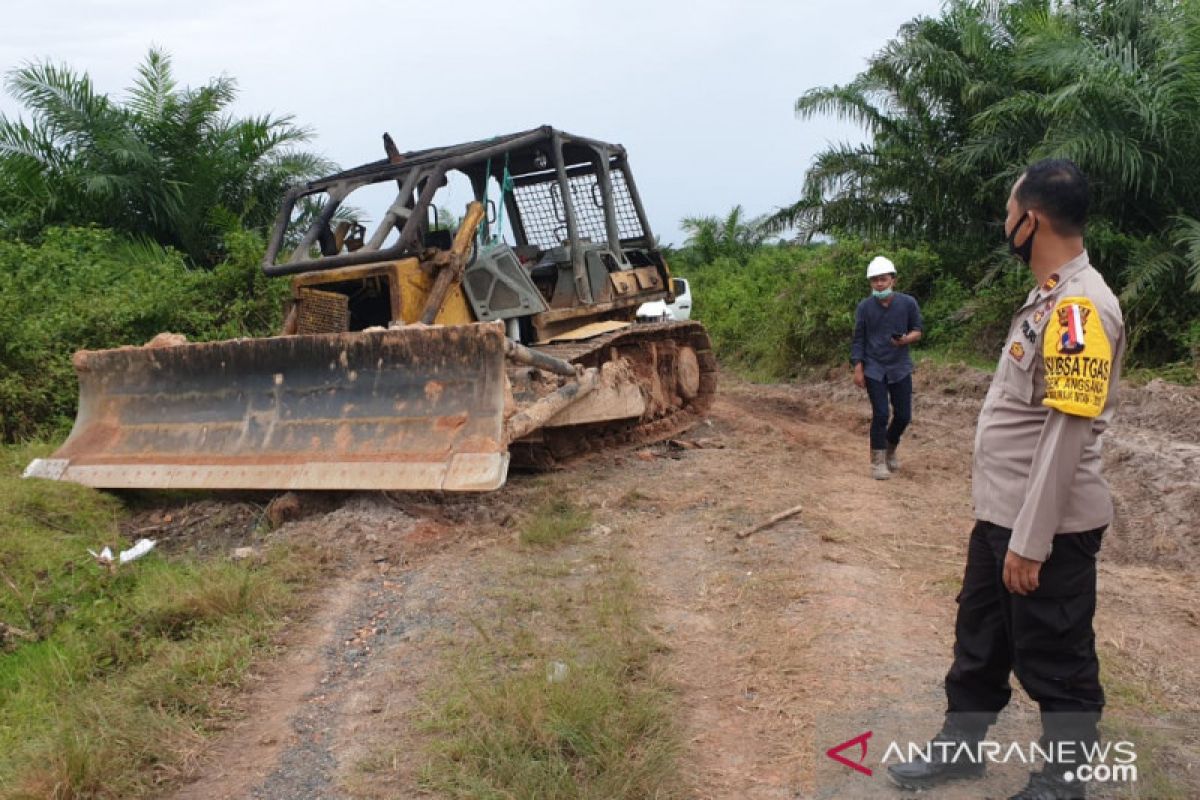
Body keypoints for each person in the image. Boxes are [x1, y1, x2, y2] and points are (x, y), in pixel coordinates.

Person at [886, 159, 1124, 800]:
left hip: (1045, 525)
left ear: (1032, 219)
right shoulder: (1047, 294)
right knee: (980, 642)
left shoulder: (1079, 308)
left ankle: (1065, 780)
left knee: (1057, 654)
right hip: (1003, 514)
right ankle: (960, 750)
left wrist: (1031, 539)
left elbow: (1068, 432)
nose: (1003, 221)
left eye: (1008, 210)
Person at [850, 256, 923, 480]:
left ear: (893, 280)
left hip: (899, 366)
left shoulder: (908, 303)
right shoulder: (864, 307)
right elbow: (858, 339)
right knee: (881, 414)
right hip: (874, 367)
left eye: (883, 279)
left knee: (903, 415)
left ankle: (890, 447)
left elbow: (918, 330)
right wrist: (858, 367)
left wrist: (905, 340)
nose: (879, 284)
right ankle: (878, 462)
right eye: (874, 281)